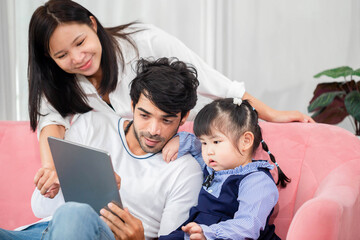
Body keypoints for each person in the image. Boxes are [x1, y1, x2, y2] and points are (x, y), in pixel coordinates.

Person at [28, 0, 314, 200]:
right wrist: (51, 167)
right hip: (119, 175)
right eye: (62, 55)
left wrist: (271, 113)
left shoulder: (144, 41)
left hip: (162, 165)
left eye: (80, 42)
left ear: (92, 23)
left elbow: (215, 82)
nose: (77, 58)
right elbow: (50, 121)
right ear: (49, 59)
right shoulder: (55, 80)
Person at [0, 57, 203, 240]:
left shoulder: (185, 171)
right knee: (69, 214)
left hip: (102, 235)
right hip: (42, 231)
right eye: (144, 115)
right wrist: (60, 182)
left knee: (75, 214)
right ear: (132, 106)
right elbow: (39, 208)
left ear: (184, 117)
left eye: (166, 120)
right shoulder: (93, 124)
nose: (153, 130)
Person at [159, 98, 290, 240]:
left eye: (216, 142)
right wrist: (179, 140)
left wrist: (209, 233)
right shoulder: (214, 166)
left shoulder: (256, 180)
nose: (208, 151)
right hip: (198, 232)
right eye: (204, 142)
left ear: (245, 141)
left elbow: (248, 226)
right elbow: (194, 145)